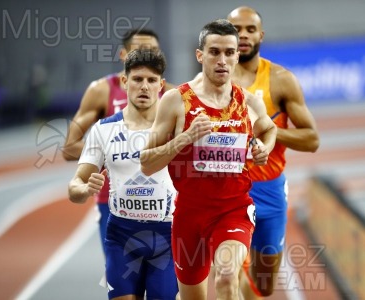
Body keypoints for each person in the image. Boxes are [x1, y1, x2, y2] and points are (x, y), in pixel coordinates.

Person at [140, 19, 277, 300]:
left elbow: (270, 128)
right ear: (200, 55)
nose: (222, 60)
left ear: (238, 55)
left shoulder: (249, 102)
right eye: (214, 52)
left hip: (234, 209)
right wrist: (184, 138)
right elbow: (146, 162)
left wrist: (264, 146)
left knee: (227, 278)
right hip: (190, 216)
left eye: (229, 52)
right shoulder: (176, 101)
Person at [68, 49, 178, 300]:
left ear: (161, 85)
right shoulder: (103, 130)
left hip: (167, 237)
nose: (144, 87)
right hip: (122, 237)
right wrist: (84, 190)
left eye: (152, 81)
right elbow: (74, 187)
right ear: (125, 81)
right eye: (138, 79)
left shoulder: (176, 128)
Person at [225, 7, 320, 298]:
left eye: (250, 29)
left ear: (260, 35)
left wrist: (270, 130)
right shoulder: (212, 80)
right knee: (227, 272)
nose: (242, 35)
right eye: (236, 29)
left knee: (264, 285)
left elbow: (312, 139)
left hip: (270, 190)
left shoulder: (280, 79)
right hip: (229, 190)